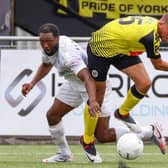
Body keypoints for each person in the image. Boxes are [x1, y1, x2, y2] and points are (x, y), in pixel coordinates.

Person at [80, 14, 168, 159]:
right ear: (162, 23)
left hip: (122, 48)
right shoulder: (150, 36)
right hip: (101, 48)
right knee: (98, 96)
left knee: (144, 83)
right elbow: (158, 65)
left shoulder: (155, 27)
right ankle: (87, 140)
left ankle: (122, 113)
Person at [21, 23, 101, 163]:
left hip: (93, 86)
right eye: (42, 41)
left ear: (57, 39)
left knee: (103, 134)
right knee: (52, 115)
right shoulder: (48, 48)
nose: (45, 45)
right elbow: (46, 65)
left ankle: (147, 132)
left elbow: (87, 77)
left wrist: (93, 100)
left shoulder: (67, 54)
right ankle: (64, 154)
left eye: (49, 41)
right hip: (74, 83)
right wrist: (32, 83)